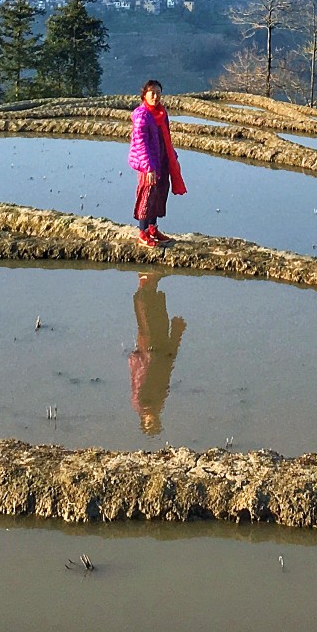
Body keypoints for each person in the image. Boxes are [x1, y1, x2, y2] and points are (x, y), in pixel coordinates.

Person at [128, 78, 185, 247]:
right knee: (147, 195)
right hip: (149, 163)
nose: (155, 96)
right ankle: (142, 232)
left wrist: (172, 157)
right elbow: (141, 144)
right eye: (152, 93)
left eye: (158, 93)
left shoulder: (161, 112)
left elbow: (166, 137)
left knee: (159, 193)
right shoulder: (141, 115)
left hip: (162, 158)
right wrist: (148, 168)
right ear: (144, 95)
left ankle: (153, 229)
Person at [127, 273, 186, 435]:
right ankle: (148, 281)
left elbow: (143, 377)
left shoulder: (142, 403)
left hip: (150, 351)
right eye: (154, 422)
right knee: (153, 317)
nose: (153, 418)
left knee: (149, 317)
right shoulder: (156, 403)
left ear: (144, 419)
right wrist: (176, 335)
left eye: (150, 422)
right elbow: (164, 377)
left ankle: (147, 281)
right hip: (156, 352)